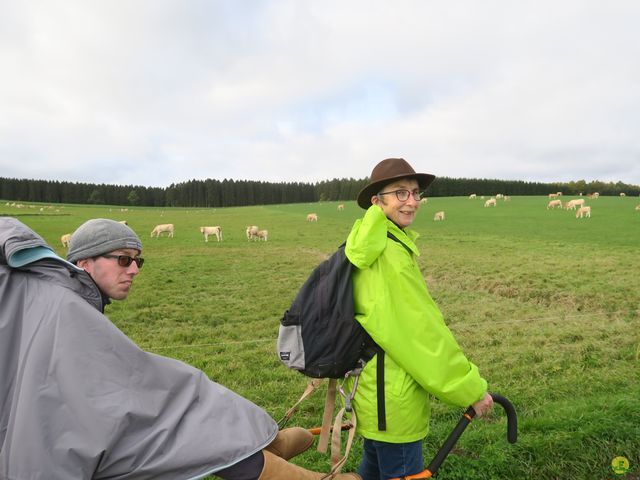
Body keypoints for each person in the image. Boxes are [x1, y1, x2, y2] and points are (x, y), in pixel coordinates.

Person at [0, 217, 360, 480]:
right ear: (84, 262)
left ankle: (266, 444)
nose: (135, 270)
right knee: (177, 409)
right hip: (48, 440)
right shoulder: (63, 306)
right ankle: (282, 464)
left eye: (137, 261)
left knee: (178, 393)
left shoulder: (52, 294)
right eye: (123, 259)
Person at [343, 158, 494, 480]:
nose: (412, 202)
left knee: (372, 469)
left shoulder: (372, 239)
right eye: (400, 193)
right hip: (393, 399)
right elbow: (421, 337)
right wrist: (470, 391)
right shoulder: (389, 255)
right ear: (376, 201)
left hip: (375, 391)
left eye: (415, 193)